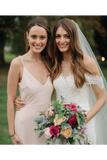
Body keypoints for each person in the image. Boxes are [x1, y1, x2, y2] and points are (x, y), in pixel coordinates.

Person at [15, 18, 107, 148]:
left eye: (67, 36)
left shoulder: (87, 62)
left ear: (73, 38)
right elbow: (47, 91)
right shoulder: (54, 62)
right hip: (60, 126)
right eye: (58, 36)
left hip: (84, 125)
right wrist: (22, 99)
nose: (62, 41)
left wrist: (82, 121)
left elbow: (102, 98)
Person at [7, 17, 54, 148]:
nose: (38, 41)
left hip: (47, 128)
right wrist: (12, 134)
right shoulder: (17, 63)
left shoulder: (51, 63)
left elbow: (49, 95)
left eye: (42, 37)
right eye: (34, 36)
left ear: (47, 39)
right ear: (27, 36)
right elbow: (10, 100)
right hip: (25, 125)